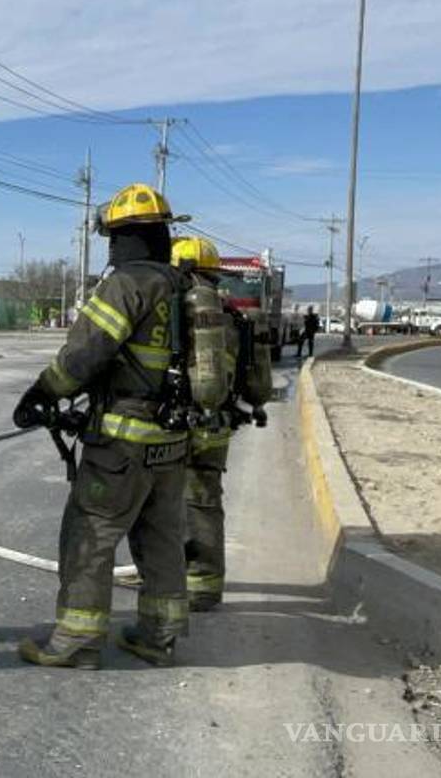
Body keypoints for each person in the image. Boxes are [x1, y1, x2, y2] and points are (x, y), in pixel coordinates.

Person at [13, 183, 192, 670]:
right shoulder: (183, 287)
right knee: (161, 539)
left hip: (122, 439)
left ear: (117, 237)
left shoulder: (125, 285)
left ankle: (75, 641)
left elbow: (84, 354)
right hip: (174, 439)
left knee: (89, 535)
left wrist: (43, 393)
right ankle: (160, 636)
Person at [171, 237, 271, 612]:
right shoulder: (233, 315)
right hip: (220, 422)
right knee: (205, 502)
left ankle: (185, 578)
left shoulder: (184, 312)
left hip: (182, 420)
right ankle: (206, 583)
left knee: (167, 501)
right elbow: (250, 378)